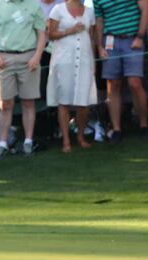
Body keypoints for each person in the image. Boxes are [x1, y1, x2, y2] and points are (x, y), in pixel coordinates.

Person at [0, 0, 46, 157]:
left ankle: (28, 142)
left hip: (29, 57)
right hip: (4, 58)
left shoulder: (34, 5)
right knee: (5, 104)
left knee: (28, 102)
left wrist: (37, 56)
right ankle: (3, 144)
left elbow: (41, 34)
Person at [94, 0, 148, 143]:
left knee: (135, 83)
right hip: (110, 41)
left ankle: (144, 125)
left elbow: (145, 9)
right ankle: (117, 129)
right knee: (112, 84)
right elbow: (99, 21)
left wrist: (140, 36)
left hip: (132, 39)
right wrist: (99, 46)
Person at [46, 0, 97, 152]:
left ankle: (81, 136)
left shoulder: (89, 11)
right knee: (64, 99)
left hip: (85, 60)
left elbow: (91, 37)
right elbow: (51, 34)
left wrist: (93, 61)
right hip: (64, 59)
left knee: (83, 101)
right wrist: (70, 30)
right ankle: (66, 141)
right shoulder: (58, 9)